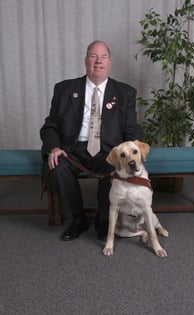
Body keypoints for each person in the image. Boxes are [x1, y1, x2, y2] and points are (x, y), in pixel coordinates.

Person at [40, 40, 143, 241]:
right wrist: (54, 147)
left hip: (108, 150)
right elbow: (50, 125)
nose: (98, 61)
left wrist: (130, 152)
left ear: (110, 63)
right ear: (86, 61)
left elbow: (132, 129)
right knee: (57, 165)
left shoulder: (125, 93)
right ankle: (78, 219)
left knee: (116, 167)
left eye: (103, 57)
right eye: (93, 56)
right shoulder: (64, 89)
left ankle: (103, 222)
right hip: (72, 149)